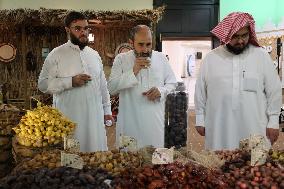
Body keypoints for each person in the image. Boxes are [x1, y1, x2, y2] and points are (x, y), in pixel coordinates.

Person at [194, 12, 281, 150]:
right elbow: (200, 91)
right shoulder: (211, 58)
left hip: (255, 127)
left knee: (255, 168)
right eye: (235, 36)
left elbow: (274, 91)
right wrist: (199, 118)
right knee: (218, 167)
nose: (240, 41)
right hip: (219, 128)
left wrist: (274, 122)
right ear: (227, 35)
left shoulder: (261, 57)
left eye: (244, 35)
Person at [38, 11, 113, 152]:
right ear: (68, 30)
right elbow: (43, 84)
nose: (83, 32)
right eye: (78, 28)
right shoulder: (57, 54)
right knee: (72, 164)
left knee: (96, 160)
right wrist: (70, 81)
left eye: (85, 28)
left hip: (94, 118)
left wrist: (107, 109)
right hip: (69, 119)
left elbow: (102, 85)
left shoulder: (94, 55)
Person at [108, 25, 177, 148]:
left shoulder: (161, 58)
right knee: (129, 164)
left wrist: (161, 91)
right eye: (140, 44)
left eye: (148, 44)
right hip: (129, 125)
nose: (145, 49)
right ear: (131, 43)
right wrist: (133, 71)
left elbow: (172, 83)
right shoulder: (121, 59)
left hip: (155, 124)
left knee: (158, 163)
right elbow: (111, 88)